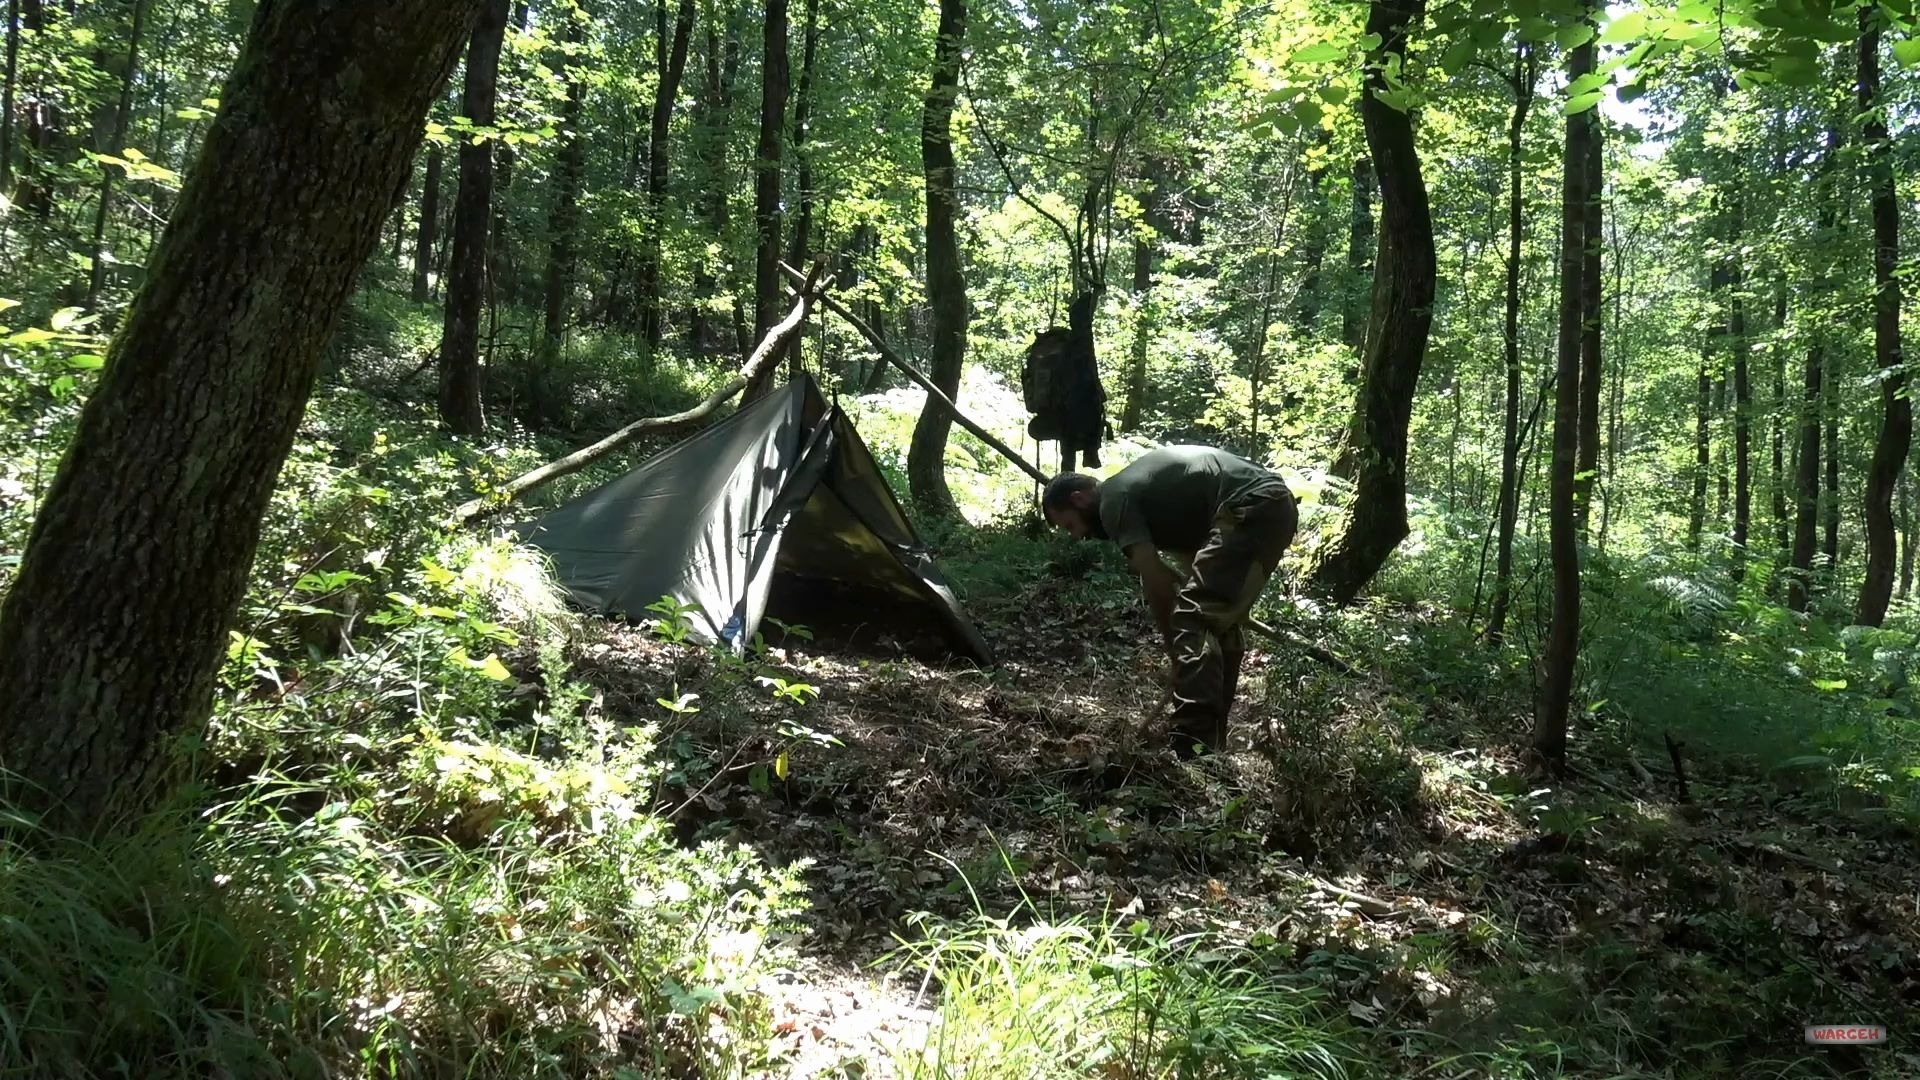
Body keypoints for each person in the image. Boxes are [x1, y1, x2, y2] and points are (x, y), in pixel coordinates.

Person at [1043, 445, 1298, 755]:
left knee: (1193, 620)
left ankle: (1191, 748)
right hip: (1267, 504)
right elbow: (1182, 573)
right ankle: (1212, 747)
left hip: (1251, 505)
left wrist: (1177, 656)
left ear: (1078, 499)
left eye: (1070, 525)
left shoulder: (1113, 500)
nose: (1076, 536)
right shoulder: (1155, 501)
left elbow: (1160, 588)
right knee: (1218, 624)